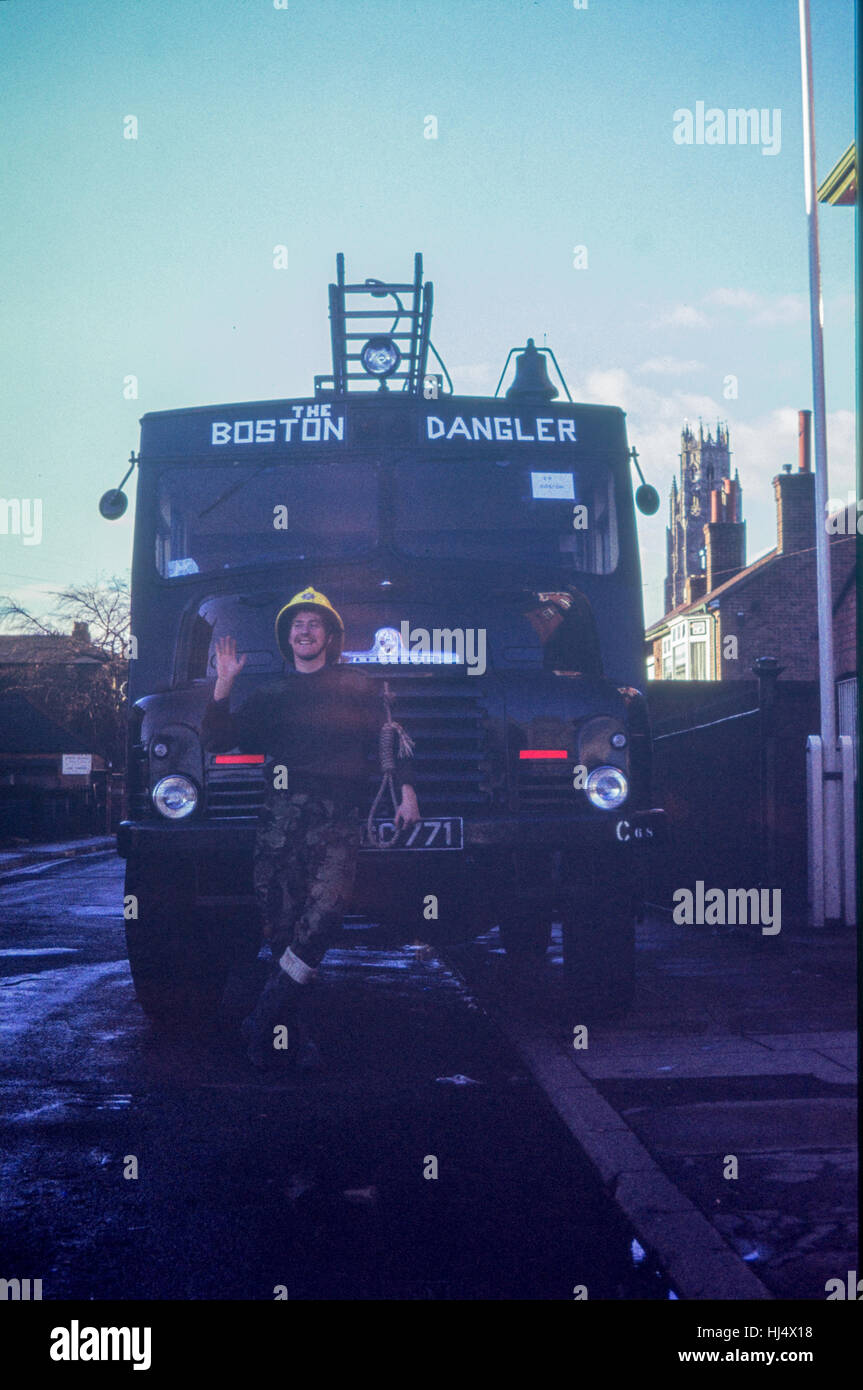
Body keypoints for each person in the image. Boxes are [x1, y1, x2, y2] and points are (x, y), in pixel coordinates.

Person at [202, 587, 420, 1069]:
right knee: (281, 934)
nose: (305, 630)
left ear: (329, 636)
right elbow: (217, 739)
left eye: (314, 623)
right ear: (288, 636)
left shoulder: (358, 686)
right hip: (278, 822)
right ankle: (288, 1039)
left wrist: (407, 793)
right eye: (297, 623)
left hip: (336, 820)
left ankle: (261, 1017)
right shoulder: (269, 695)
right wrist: (223, 684)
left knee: (322, 919)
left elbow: (390, 741)